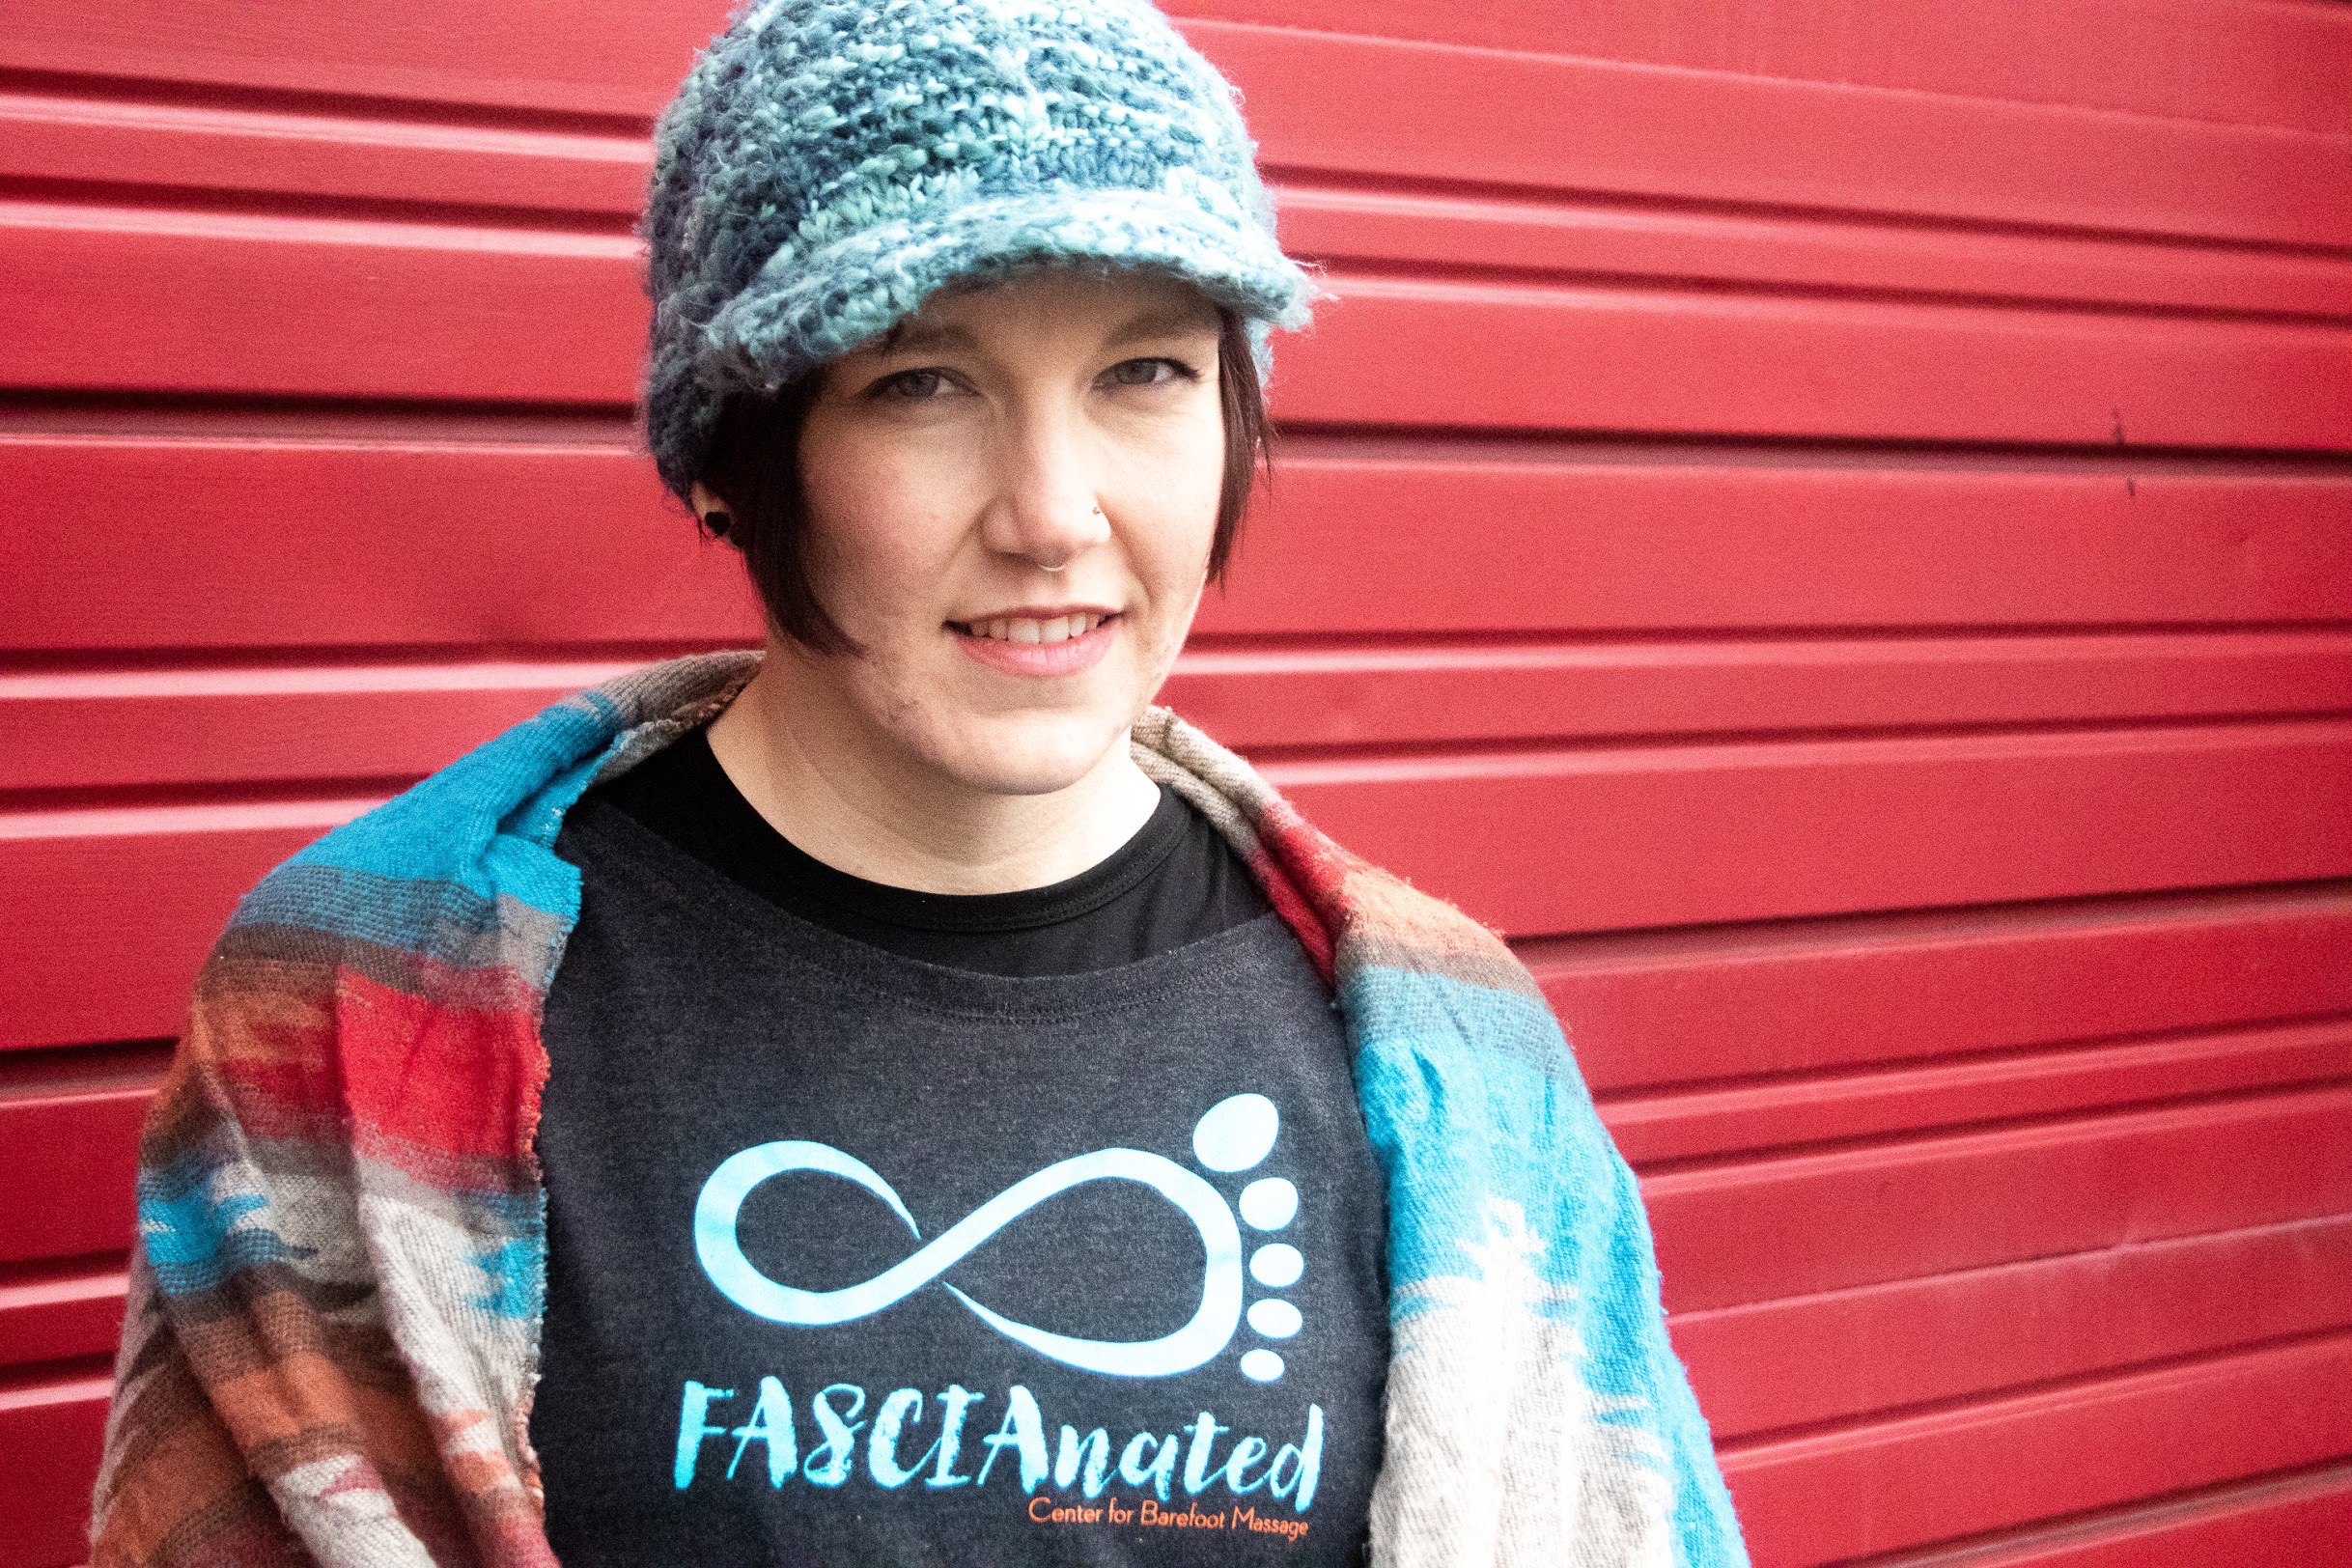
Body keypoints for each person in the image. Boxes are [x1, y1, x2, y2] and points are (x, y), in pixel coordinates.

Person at [90, 2, 1748, 1564]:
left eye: (1145, 372)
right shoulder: (359, 1017)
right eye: (923, 384)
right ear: (738, 461)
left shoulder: (1461, 1063)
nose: (1054, 515)